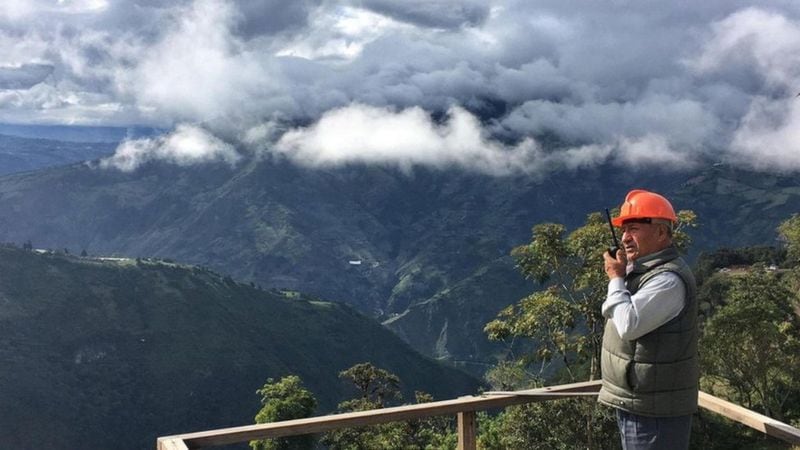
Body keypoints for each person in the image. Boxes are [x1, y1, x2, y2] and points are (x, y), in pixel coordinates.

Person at [598, 189, 698, 450]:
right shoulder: (643, 271)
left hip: (654, 412)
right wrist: (624, 274)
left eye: (633, 229)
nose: (625, 238)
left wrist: (616, 279)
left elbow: (628, 325)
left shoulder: (667, 280)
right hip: (639, 402)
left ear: (662, 233)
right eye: (623, 230)